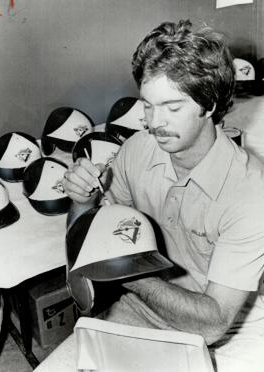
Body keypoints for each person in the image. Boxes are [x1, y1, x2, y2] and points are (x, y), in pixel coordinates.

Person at [57, 19, 264, 372]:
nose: (155, 123)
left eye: (172, 107)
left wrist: (128, 272)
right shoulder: (137, 148)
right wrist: (82, 201)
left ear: (210, 104)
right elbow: (91, 244)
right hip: (147, 305)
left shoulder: (251, 194)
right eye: (148, 106)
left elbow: (214, 322)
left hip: (234, 328)